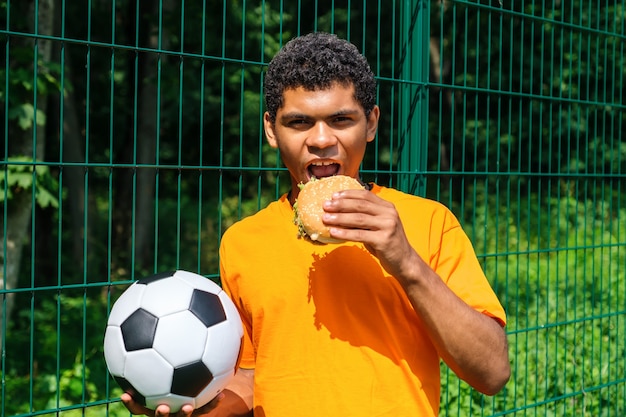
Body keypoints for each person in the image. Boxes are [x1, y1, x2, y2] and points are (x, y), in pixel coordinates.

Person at [123, 31, 510, 417]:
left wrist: (405, 261)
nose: (321, 139)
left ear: (371, 124)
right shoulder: (242, 242)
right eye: (299, 122)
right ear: (272, 130)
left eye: (341, 119)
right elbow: (256, 375)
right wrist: (192, 407)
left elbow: (492, 372)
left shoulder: (427, 222)